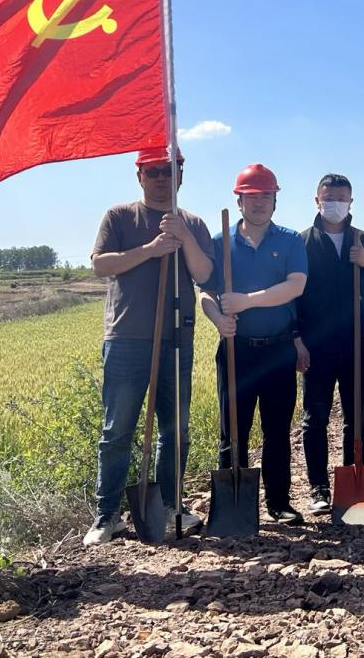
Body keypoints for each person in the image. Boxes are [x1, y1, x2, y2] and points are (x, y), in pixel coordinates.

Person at [84, 147, 215, 545]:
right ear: (139, 175)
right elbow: (100, 264)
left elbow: (204, 273)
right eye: (153, 171)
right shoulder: (119, 217)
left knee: (175, 430)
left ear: (180, 174)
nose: (161, 178)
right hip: (126, 339)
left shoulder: (193, 223)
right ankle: (107, 516)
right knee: (117, 430)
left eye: (169, 170)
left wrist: (183, 236)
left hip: (176, 340)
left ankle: (171, 506)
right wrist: (151, 250)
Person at [199, 163, 310, 524]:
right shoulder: (220, 243)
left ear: (275, 200)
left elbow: (295, 286)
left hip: (278, 350)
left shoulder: (290, 240)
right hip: (237, 351)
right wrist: (218, 319)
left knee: (277, 430)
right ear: (239, 201)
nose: (259, 203)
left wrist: (245, 301)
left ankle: (279, 503)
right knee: (233, 430)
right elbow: (206, 293)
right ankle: (233, 507)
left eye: (266, 196)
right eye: (252, 197)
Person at [296, 173, 364, 514]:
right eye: (328, 197)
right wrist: (297, 340)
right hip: (316, 345)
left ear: (351, 202)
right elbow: (293, 298)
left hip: (356, 343)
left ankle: (353, 478)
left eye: (341, 198)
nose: (335, 204)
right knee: (315, 417)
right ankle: (318, 487)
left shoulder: (362, 240)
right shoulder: (302, 243)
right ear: (317, 200)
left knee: (357, 416)